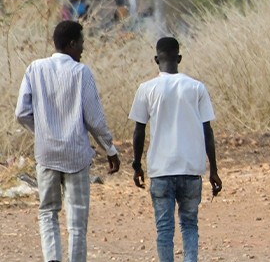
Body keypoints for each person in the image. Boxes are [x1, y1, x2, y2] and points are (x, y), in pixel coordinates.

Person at [15, 21, 121, 262]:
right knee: (77, 218)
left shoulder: (35, 68)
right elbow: (94, 119)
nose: (83, 49)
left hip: (47, 154)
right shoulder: (81, 72)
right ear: (72, 44)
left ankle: (52, 259)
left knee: (48, 212)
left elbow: (21, 113)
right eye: (81, 43)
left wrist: (42, 131)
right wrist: (109, 149)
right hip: (76, 156)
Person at [129, 37, 223, 262]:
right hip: (191, 168)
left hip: (161, 169)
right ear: (179, 58)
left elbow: (138, 131)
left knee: (164, 229)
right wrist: (214, 170)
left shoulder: (146, 89)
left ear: (156, 59)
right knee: (189, 225)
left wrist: (137, 164)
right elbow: (207, 131)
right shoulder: (196, 87)